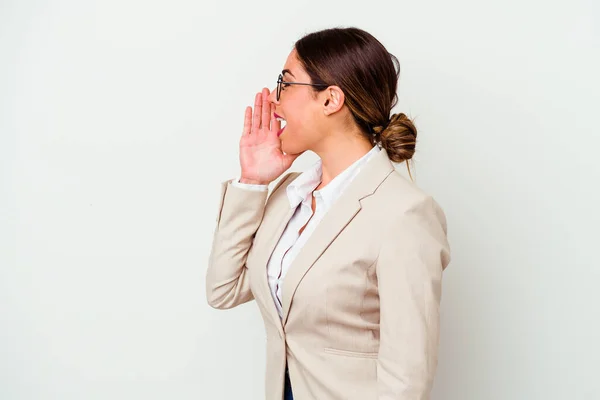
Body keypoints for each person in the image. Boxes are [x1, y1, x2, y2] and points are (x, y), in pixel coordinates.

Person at [206, 27, 451, 400]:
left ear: (330, 99)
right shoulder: (289, 195)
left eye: (285, 84)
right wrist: (253, 182)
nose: (274, 101)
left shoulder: (405, 215)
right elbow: (223, 290)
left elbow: (407, 379)